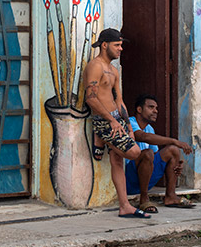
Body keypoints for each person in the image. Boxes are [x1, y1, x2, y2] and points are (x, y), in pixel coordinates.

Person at [80, 28, 148, 218]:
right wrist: (111, 120)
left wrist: (128, 126)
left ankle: (124, 205)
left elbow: (119, 100)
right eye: (117, 45)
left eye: (121, 45)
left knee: (118, 161)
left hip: (117, 121)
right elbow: (91, 99)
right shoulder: (95, 66)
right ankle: (100, 138)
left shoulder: (114, 70)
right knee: (134, 152)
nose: (120, 49)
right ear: (104, 45)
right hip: (104, 121)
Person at [126, 94, 194, 212]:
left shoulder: (150, 128)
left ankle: (171, 196)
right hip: (128, 179)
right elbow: (142, 136)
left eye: (156, 108)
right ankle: (144, 198)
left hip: (145, 178)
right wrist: (174, 140)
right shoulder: (130, 123)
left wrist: (174, 165)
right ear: (139, 109)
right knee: (148, 153)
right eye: (151, 107)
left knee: (173, 150)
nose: (155, 111)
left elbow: (156, 157)